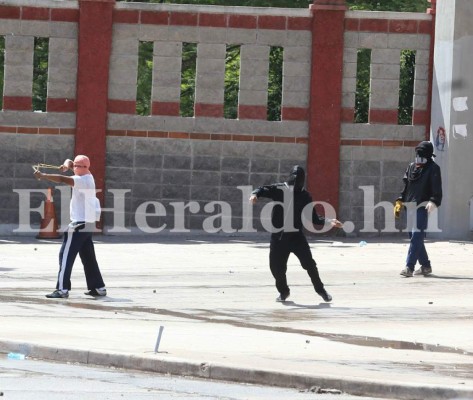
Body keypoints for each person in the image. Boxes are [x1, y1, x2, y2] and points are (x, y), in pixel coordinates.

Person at [249, 165, 343, 303]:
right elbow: (263, 189)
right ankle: (284, 291)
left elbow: (313, 218)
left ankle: (321, 290)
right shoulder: (280, 189)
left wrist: (329, 221)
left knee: (309, 264)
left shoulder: (304, 195)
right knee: (276, 268)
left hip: (296, 237)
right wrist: (254, 194)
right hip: (279, 237)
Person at [34, 155, 107, 298]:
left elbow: (61, 179)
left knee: (65, 255)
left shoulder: (81, 181)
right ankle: (98, 287)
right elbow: (69, 161)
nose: (74, 169)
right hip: (88, 224)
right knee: (88, 257)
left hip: (78, 225)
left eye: (75, 167)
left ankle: (62, 289)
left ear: (79, 168)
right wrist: (65, 165)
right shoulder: (88, 174)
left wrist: (43, 176)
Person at [396, 141, 442, 277]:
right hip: (409, 206)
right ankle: (426, 266)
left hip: (422, 206)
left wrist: (434, 201)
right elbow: (406, 187)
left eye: (422, 154)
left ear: (428, 155)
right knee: (415, 237)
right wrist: (399, 200)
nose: (419, 156)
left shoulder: (433, 168)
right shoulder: (411, 167)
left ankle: (409, 267)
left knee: (416, 236)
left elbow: (437, 188)